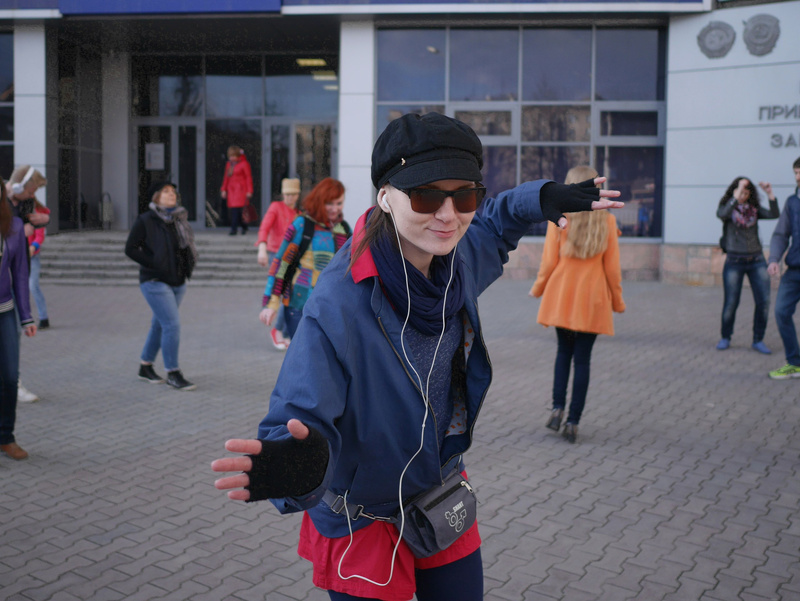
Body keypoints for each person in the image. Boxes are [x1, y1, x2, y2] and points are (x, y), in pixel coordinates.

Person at [212, 113, 623, 601]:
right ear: (386, 196)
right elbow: (299, 413)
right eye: (427, 196)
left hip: (438, 490)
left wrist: (538, 198)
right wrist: (300, 463)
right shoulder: (339, 300)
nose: (448, 215)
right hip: (363, 517)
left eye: (464, 195)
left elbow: (495, 223)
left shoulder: (455, 261)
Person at [529, 165, 626, 444]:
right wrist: (617, 302)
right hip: (592, 298)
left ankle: (557, 409)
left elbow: (549, 261)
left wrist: (538, 288)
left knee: (563, 353)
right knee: (582, 360)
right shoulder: (607, 222)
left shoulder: (560, 219)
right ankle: (573, 422)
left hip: (563, 294)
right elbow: (613, 270)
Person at [125, 181, 198, 391]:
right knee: (171, 325)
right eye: (166, 191)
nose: (171, 195)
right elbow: (130, 248)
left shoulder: (179, 218)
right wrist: (153, 263)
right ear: (156, 197)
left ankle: (145, 366)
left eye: (173, 192)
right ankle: (173, 373)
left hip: (178, 281)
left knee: (160, 324)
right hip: (155, 281)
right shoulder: (146, 220)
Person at [258, 177, 349, 341]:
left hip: (329, 307)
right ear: (320, 201)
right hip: (299, 305)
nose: (335, 209)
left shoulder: (343, 229)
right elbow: (281, 263)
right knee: (304, 354)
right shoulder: (302, 224)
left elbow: (349, 268)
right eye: (329, 203)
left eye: (339, 203)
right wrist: (271, 304)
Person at [716, 176, 779, 353]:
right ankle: (725, 337)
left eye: (746, 192)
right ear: (734, 192)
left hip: (756, 261)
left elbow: (774, 214)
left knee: (763, 301)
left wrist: (770, 193)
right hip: (734, 262)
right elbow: (722, 214)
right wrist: (736, 196)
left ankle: (758, 339)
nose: (743, 196)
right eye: (740, 192)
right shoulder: (728, 208)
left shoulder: (754, 210)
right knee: (731, 303)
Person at [0, 178, 37, 460]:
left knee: (10, 377)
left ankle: (6, 437)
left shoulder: (13, 227)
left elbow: (21, 275)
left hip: (5, 312)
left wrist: (27, 317)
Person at [5, 165, 48, 404]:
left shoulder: (25, 203)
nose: (32, 196)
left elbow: (43, 214)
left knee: (13, 337)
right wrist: (19, 232)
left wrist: (45, 219)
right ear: (18, 186)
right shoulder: (4, 203)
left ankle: (14, 382)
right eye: (31, 191)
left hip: (17, 276)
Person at [256, 178, 301, 350]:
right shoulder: (276, 207)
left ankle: (286, 332)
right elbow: (264, 227)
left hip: (293, 258)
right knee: (283, 293)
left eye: (293, 194)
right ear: (283, 194)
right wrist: (262, 248)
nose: (290, 197)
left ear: (297, 195)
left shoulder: (299, 213)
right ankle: (278, 330)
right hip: (277, 255)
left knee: (293, 295)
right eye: (287, 194)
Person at [767, 157, 800, 379]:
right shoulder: (792, 202)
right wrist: (773, 259)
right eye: (796, 173)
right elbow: (781, 234)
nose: (798, 177)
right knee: (781, 312)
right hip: (795, 270)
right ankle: (795, 363)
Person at [28, 199, 51, 330]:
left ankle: (43, 317)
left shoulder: (37, 214)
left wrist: (33, 247)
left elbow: (39, 236)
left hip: (32, 256)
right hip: (18, 256)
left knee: (33, 286)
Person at [220, 145, 254, 236]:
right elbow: (226, 178)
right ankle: (239, 227)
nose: (231, 158)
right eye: (230, 156)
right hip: (232, 191)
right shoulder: (229, 165)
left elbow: (248, 178)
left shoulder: (244, 164)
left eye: (233, 156)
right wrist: (224, 189)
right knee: (234, 211)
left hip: (241, 191)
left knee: (239, 211)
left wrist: (249, 191)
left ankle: (237, 228)